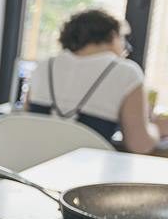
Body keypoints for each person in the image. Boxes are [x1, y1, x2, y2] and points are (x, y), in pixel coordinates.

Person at [25, 9, 168, 154]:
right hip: (83, 171)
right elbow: (139, 144)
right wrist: (157, 128)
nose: (126, 49)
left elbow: (25, 120)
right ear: (113, 36)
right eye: (123, 39)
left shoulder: (43, 66)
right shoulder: (126, 72)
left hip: (29, 167)